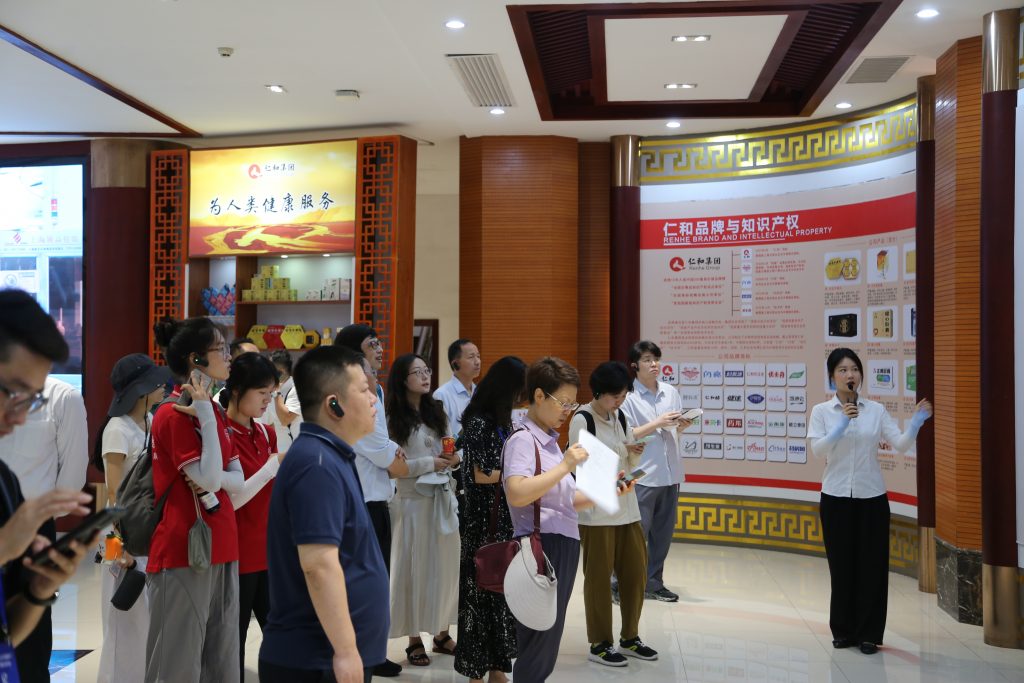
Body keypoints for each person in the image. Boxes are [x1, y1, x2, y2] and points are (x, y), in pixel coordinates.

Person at [258, 345, 389, 683]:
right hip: (316, 659)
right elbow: (318, 564)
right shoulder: (316, 464)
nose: (373, 399)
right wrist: (345, 650)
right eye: (364, 390)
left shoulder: (329, 455)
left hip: (325, 657)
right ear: (334, 404)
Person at [502, 357, 636, 682]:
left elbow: (566, 500)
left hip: (560, 543)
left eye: (572, 403)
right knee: (538, 641)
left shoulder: (548, 441)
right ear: (538, 396)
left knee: (547, 640)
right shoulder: (524, 439)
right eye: (563, 402)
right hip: (541, 546)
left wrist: (609, 490)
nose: (567, 410)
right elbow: (517, 493)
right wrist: (565, 465)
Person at [0, 289, 99, 682]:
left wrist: (39, 591)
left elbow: (7, 637)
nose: (19, 417)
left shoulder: (4, 482)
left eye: (32, 400)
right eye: (13, 392)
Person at [808, 347, 932, 656]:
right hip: (835, 497)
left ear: (861, 375)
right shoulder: (822, 412)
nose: (849, 375)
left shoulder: (875, 410)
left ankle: (868, 634)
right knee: (842, 567)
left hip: (872, 498)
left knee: (872, 567)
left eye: (854, 369)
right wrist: (842, 424)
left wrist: (916, 423)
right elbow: (818, 450)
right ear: (832, 377)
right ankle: (843, 630)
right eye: (842, 370)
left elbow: (900, 444)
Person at [147, 317, 245, 683]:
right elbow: (211, 478)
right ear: (196, 359)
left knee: (221, 660)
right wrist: (204, 414)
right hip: (185, 547)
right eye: (221, 349)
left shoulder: (214, 410)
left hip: (222, 541)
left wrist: (207, 415)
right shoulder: (172, 413)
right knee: (178, 662)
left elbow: (234, 480)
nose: (229, 355)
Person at [568, 361, 658, 666]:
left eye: (623, 396)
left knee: (635, 575)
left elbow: (625, 460)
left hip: (627, 509)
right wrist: (615, 476)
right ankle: (600, 643)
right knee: (598, 579)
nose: (619, 402)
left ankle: (630, 637)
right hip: (597, 515)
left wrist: (633, 455)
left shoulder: (620, 416)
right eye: (614, 396)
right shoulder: (583, 420)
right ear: (598, 392)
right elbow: (582, 472)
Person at [94, 353, 170, 683]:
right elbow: (111, 495)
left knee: (143, 618)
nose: (163, 386)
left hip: (143, 531)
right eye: (155, 382)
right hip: (118, 535)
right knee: (121, 618)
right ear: (141, 389)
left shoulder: (150, 421)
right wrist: (118, 547)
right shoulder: (117, 429)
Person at [335, 324, 406, 677]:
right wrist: (394, 453)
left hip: (379, 500)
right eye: (371, 344)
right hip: (360, 502)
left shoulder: (375, 388)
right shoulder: (347, 393)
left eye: (379, 342)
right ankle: (359, 657)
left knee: (378, 584)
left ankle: (372, 652)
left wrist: (392, 453)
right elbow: (379, 450)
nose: (380, 348)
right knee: (361, 587)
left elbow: (386, 449)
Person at [454, 355, 526, 683]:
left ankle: (497, 669)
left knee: (501, 597)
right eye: (518, 390)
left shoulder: (502, 421)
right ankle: (476, 673)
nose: (520, 397)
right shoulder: (479, 422)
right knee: (479, 598)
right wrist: (520, 477)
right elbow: (481, 475)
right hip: (482, 524)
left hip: (503, 521)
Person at [385, 353, 461, 667]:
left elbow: (451, 448)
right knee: (413, 569)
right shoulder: (393, 418)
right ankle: (414, 638)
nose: (425, 376)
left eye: (427, 370)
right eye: (417, 372)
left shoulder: (436, 410)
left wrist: (454, 458)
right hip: (411, 503)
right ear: (403, 380)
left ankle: (441, 633)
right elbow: (393, 468)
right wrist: (431, 463)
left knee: (444, 567)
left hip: (441, 499)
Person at [219, 352, 285, 678]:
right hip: (236, 552)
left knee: (281, 635)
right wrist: (271, 468)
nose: (267, 400)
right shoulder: (220, 433)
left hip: (269, 551)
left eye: (271, 393)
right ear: (236, 391)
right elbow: (229, 501)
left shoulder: (265, 432)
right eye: (262, 393)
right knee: (234, 638)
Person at [619, 340, 693, 603]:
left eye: (656, 359)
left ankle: (653, 582)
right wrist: (657, 422)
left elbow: (671, 431)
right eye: (648, 360)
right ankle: (620, 583)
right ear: (635, 365)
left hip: (670, 474)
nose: (654, 364)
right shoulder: (627, 397)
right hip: (641, 475)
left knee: (662, 535)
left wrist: (681, 426)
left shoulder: (670, 392)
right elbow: (625, 435)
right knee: (635, 535)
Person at [434, 338, 481, 439]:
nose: (477, 362)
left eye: (478, 356)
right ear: (455, 364)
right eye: (471, 357)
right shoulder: (442, 395)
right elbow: (440, 436)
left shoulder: (481, 393)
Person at [259, 349, 300, 453]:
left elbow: (285, 419)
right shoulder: (268, 389)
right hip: (274, 452)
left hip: (292, 452)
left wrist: (276, 392)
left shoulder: (297, 388)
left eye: (269, 368)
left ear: (281, 371)